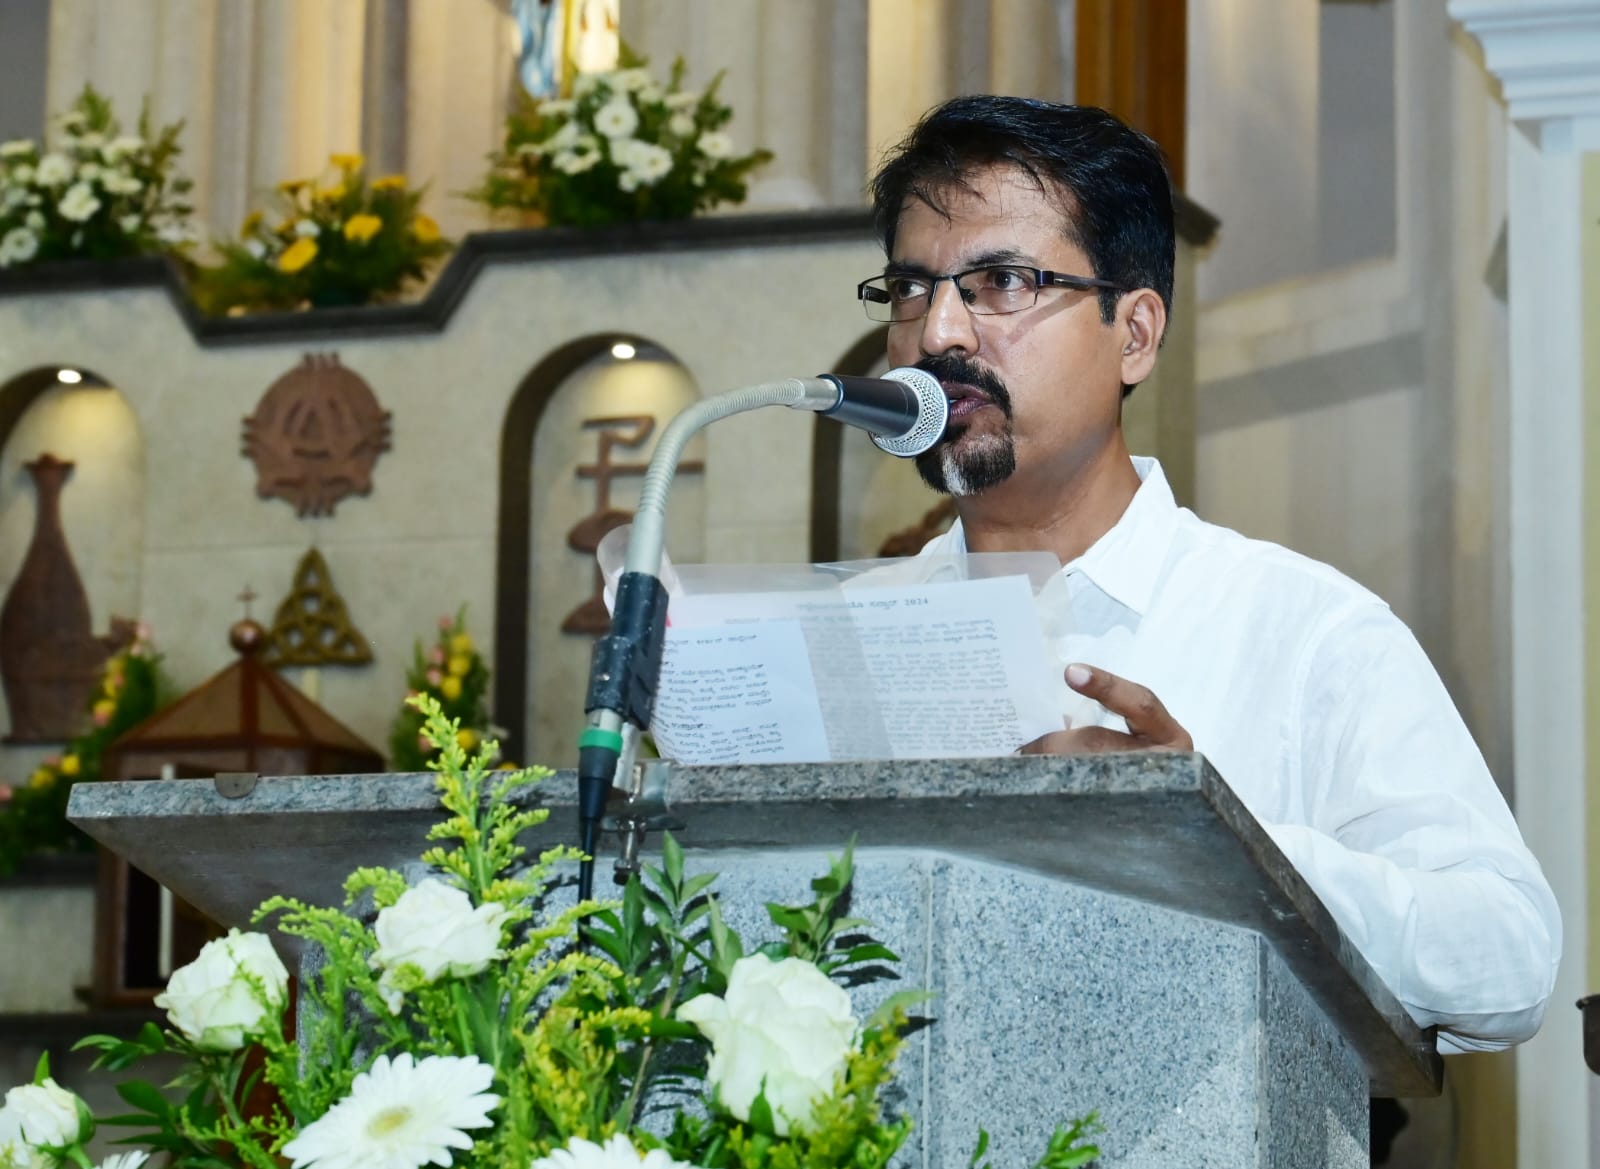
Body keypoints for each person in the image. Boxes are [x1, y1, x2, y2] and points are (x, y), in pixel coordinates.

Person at [862, 95, 1560, 1054]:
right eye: (911, 287)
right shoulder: (848, 635)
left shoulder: (1305, 631)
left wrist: (1216, 839)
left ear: (1135, 334)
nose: (939, 331)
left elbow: (1510, 958)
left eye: (1003, 281)